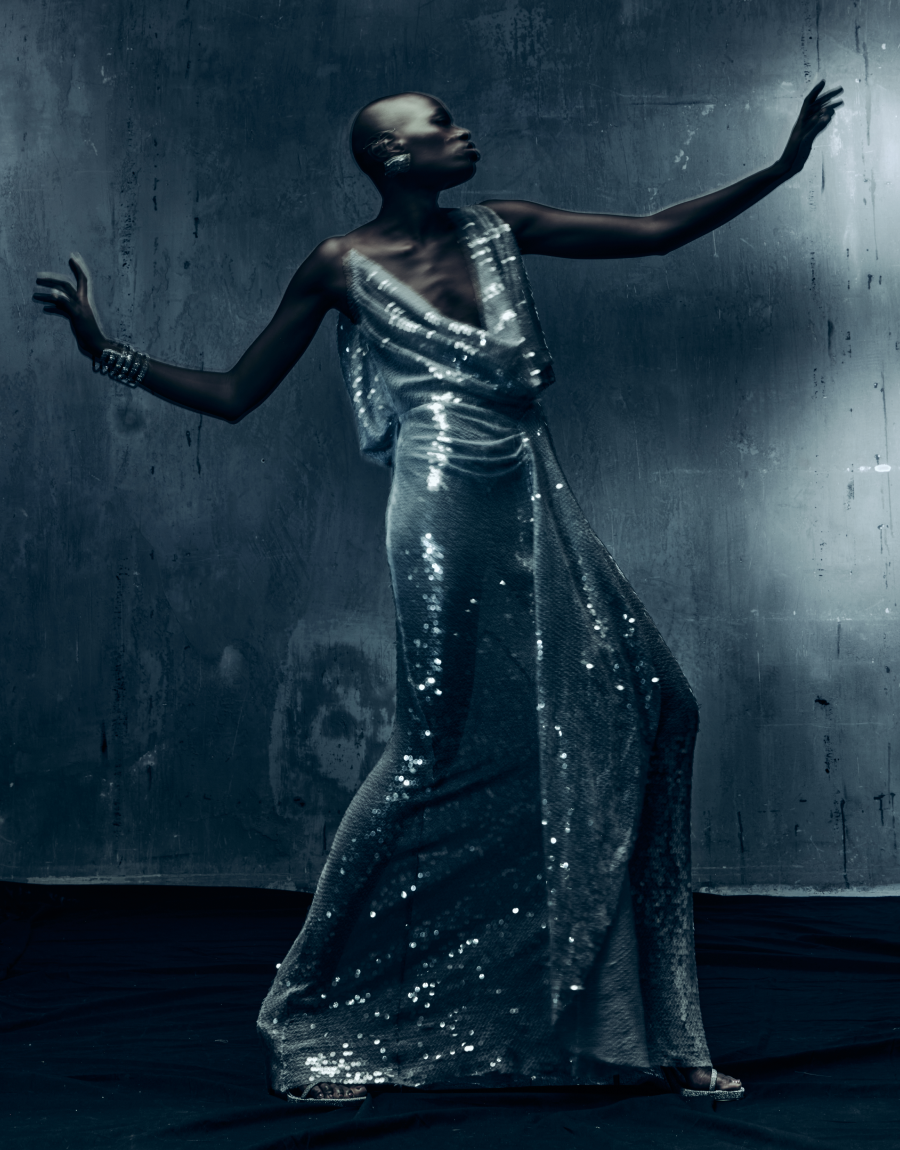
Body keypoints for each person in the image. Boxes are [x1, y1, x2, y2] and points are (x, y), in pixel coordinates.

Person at [34, 80, 842, 1106]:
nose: (464, 134)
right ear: (391, 156)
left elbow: (652, 234)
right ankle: (307, 1005)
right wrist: (104, 349)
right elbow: (237, 394)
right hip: (440, 508)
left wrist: (782, 167)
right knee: (428, 751)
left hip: (532, 494)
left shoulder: (501, 227)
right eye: (440, 126)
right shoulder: (340, 264)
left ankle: (647, 1023)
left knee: (655, 703)